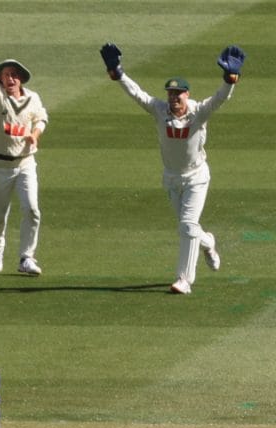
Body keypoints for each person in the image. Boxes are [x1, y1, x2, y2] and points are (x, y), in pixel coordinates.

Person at [99, 42, 245, 295]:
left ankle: (184, 280)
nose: (174, 99)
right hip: (171, 178)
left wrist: (229, 79)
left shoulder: (199, 112)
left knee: (187, 225)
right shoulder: (159, 110)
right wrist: (118, 73)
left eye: (178, 95)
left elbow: (220, 99)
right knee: (188, 228)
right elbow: (137, 94)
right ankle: (208, 242)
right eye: (170, 94)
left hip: (196, 177)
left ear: (187, 95)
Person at [0, 28, 48, 276]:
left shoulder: (33, 98)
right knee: (0, 213)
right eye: (5, 75)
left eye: (14, 75)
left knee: (32, 209)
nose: (9, 79)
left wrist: (34, 135)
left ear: (21, 79)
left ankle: (26, 257)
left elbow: (41, 119)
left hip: (26, 163)